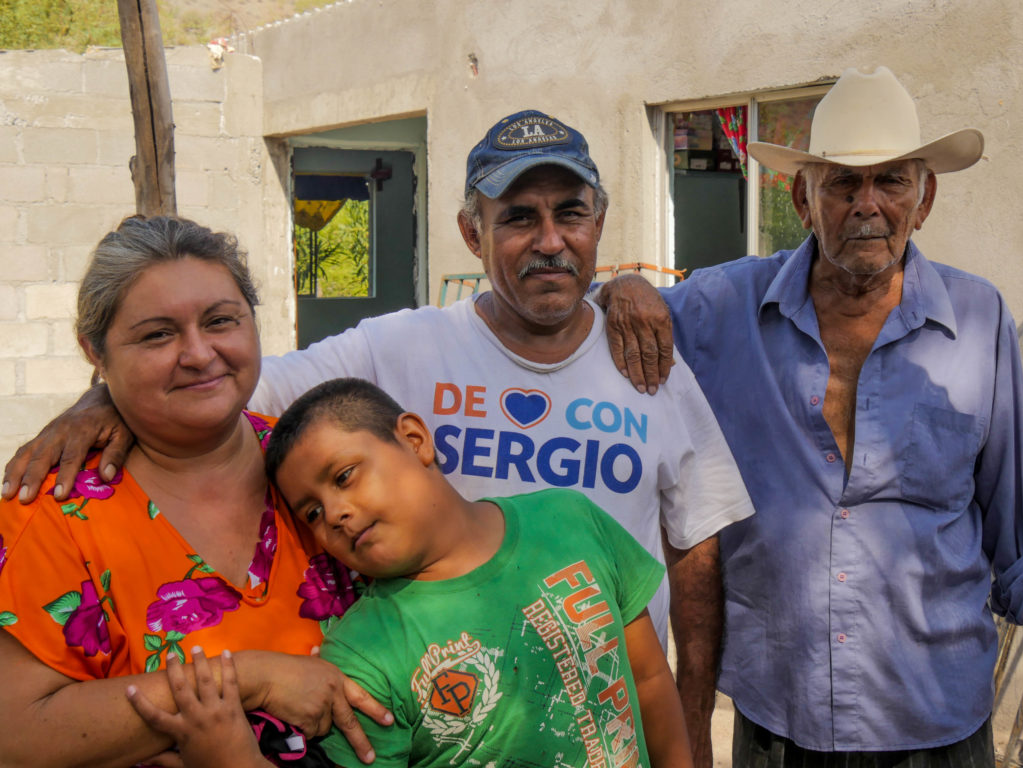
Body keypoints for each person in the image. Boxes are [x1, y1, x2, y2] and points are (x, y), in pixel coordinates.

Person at [3, 109, 754, 768]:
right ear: (472, 231)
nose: (550, 239)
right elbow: (209, 387)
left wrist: (689, 725)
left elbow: (696, 542)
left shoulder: (647, 359)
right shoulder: (367, 385)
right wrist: (99, 397)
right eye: (519, 217)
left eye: (572, 213)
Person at [603, 65, 1013, 766]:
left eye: (890, 181)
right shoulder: (723, 307)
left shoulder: (980, 319)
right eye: (842, 183)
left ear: (925, 197)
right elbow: (564, 322)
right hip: (778, 720)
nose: (867, 204)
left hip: (940, 718)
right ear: (802, 196)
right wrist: (621, 286)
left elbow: (1016, 528)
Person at [129, 377, 693, 768]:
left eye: (345, 475)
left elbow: (646, 680)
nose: (337, 515)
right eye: (313, 513)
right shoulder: (364, 655)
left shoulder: (571, 520)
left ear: (415, 440)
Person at [0, 216, 390, 767]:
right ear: (95, 351)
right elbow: (16, 735)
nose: (200, 353)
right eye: (157, 334)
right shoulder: (55, 513)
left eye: (220, 321)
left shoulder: (323, 463)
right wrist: (249, 679)